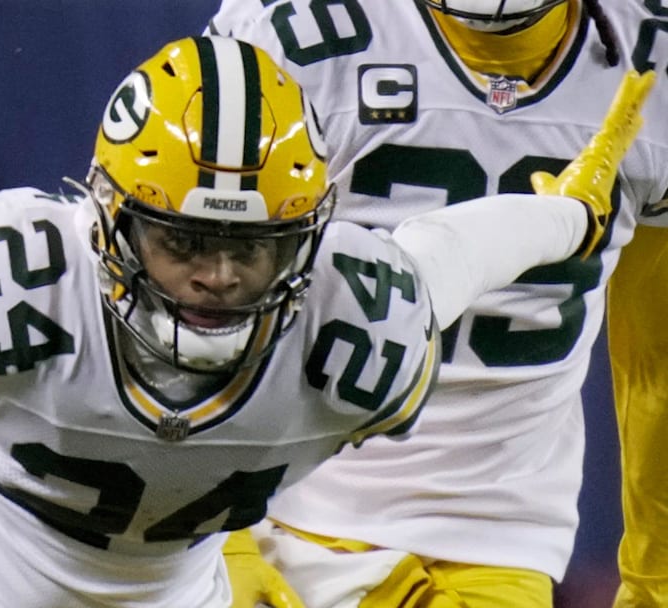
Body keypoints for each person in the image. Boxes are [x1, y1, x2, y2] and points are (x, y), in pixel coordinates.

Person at [0, 36, 650, 608]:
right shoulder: (17, 287)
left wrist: (569, 210)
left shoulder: (355, 326)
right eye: (184, 240)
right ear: (107, 219)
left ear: (311, 243)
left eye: (254, 249)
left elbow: (461, 249)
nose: (216, 276)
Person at [206, 1, 668, 606]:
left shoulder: (651, 61)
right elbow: (195, 299)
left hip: (496, 542)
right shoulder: (289, 34)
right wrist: (216, 530)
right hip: (289, 509)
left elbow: (656, 355)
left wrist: (655, 584)